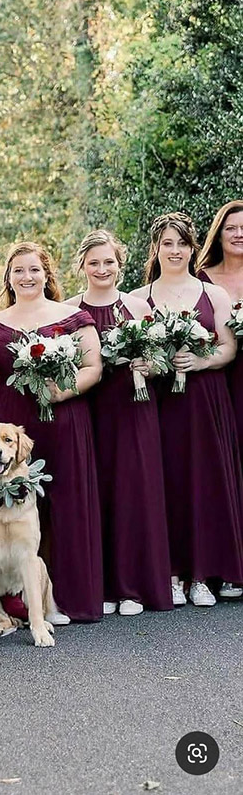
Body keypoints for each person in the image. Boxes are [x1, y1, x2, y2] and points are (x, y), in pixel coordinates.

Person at [0, 241, 103, 623]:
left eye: (34, 269)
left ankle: (69, 599)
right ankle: (19, 601)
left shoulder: (73, 316)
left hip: (63, 419)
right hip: (8, 419)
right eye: (18, 270)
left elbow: (92, 367)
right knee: (12, 506)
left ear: (47, 275)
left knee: (67, 504)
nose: (27, 277)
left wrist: (60, 392)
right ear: (8, 277)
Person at [130, 212, 243, 606]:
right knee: (166, 484)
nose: (174, 251)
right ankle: (172, 573)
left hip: (205, 400)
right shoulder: (138, 299)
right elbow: (137, 353)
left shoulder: (213, 295)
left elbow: (228, 348)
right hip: (160, 404)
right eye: (167, 244)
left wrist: (200, 361)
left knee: (203, 482)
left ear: (193, 248)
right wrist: (158, 364)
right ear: (156, 249)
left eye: (181, 244)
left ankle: (203, 576)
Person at [67, 229, 172, 615]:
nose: (101, 268)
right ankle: (102, 586)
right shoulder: (69, 310)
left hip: (133, 408)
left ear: (120, 264)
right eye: (94, 262)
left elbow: (163, 362)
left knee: (134, 492)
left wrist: (150, 365)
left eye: (108, 261)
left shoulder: (139, 307)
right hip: (90, 408)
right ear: (82, 266)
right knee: (96, 492)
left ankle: (133, 587)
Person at [197, 200, 243, 598]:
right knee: (221, 466)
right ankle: (222, 563)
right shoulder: (201, 278)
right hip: (212, 385)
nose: (239, 233)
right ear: (219, 233)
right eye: (231, 227)